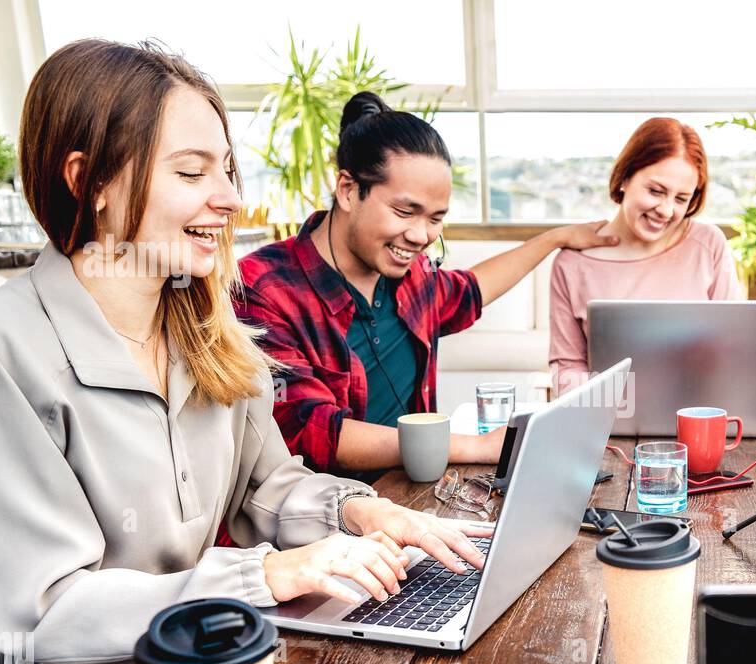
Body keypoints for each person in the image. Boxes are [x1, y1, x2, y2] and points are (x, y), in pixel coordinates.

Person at [0, 40, 489, 664]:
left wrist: (361, 513)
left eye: (225, 169)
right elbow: (44, 611)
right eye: (192, 172)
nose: (227, 197)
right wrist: (267, 574)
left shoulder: (211, 328)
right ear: (88, 179)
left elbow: (269, 486)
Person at [237, 92, 618, 478]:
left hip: (416, 494)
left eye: (436, 218)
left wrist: (553, 239)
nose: (421, 235)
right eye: (405, 212)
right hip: (328, 517)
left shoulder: (409, 274)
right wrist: (477, 446)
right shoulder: (262, 288)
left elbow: (471, 290)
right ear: (349, 190)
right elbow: (308, 431)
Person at [549, 117, 743, 395]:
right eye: (655, 191)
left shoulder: (707, 244)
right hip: (609, 423)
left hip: (695, 416)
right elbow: (567, 367)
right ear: (626, 177)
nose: (665, 210)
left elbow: (732, 349)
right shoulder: (572, 264)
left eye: (680, 199)